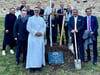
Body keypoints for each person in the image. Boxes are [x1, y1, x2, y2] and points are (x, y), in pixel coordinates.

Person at [26, 7, 46, 72]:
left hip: (40, 38)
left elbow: (44, 27)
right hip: (32, 38)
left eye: (37, 10)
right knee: (32, 52)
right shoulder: (30, 19)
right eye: (35, 10)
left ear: (39, 11)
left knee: (39, 52)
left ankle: (38, 65)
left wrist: (41, 32)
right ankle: (32, 66)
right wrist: (35, 32)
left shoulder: (42, 19)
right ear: (34, 11)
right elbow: (28, 27)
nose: (36, 11)